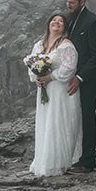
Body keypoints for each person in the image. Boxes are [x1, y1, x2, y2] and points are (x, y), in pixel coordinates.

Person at [25, 12, 82, 176]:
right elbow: (32, 65)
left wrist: (50, 77)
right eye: (54, 20)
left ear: (64, 27)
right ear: (48, 23)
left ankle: (58, 162)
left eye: (61, 21)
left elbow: (69, 67)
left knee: (58, 122)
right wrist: (36, 78)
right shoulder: (39, 45)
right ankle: (44, 160)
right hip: (44, 89)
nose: (57, 22)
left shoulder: (66, 45)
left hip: (60, 90)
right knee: (45, 123)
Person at [62, 0, 96, 172]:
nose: (68, 5)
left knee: (87, 117)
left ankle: (88, 161)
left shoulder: (92, 21)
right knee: (73, 117)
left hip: (89, 79)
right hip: (71, 77)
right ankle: (75, 156)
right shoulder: (70, 19)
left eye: (72, 3)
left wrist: (79, 77)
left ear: (82, 2)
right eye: (67, 2)